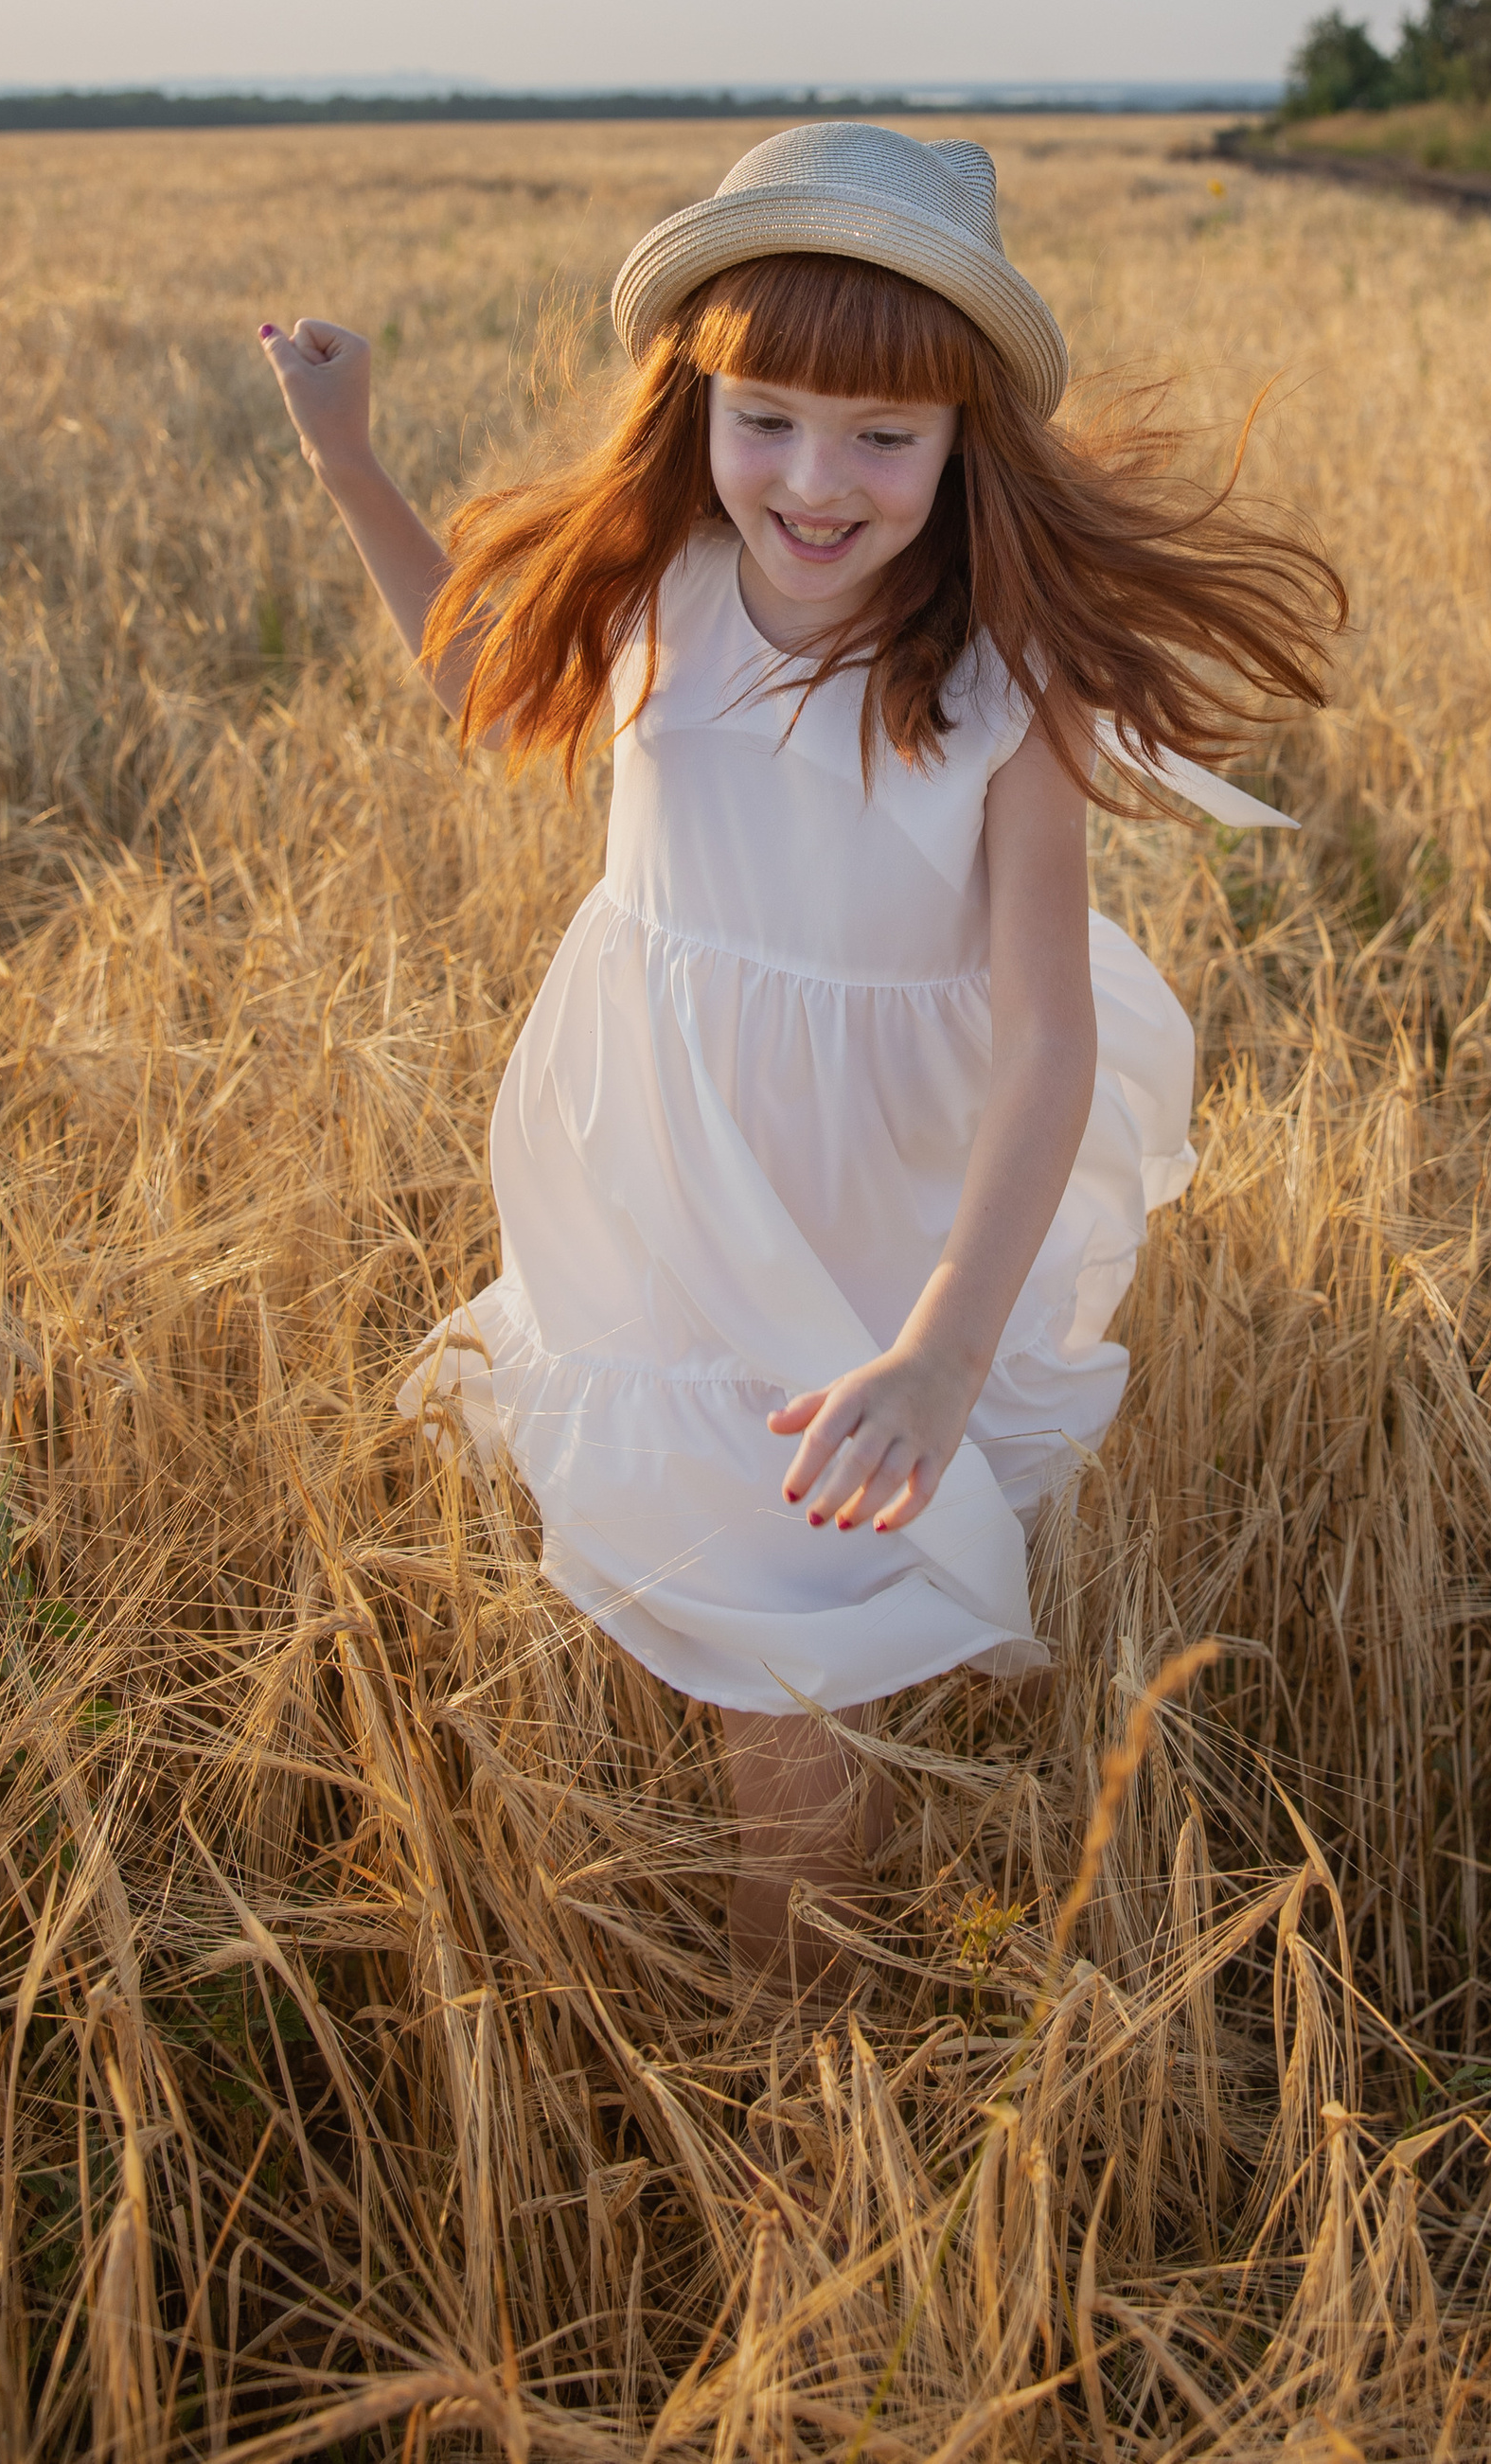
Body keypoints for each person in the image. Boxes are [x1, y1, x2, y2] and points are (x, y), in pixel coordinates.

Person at [257, 121, 1343, 1997]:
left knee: (781, 1691)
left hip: (864, 1203)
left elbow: (1045, 1039)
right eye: (762, 416)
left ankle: (793, 2061)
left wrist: (937, 1342)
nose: (811, 481)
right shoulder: (665, 585)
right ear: (694, 404)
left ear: (959, 445)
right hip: (659, 1162)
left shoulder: (1004, 683)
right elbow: (474, 675)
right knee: (689, 1585)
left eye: (880, 437)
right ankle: (795, 2001)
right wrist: (349, 460)